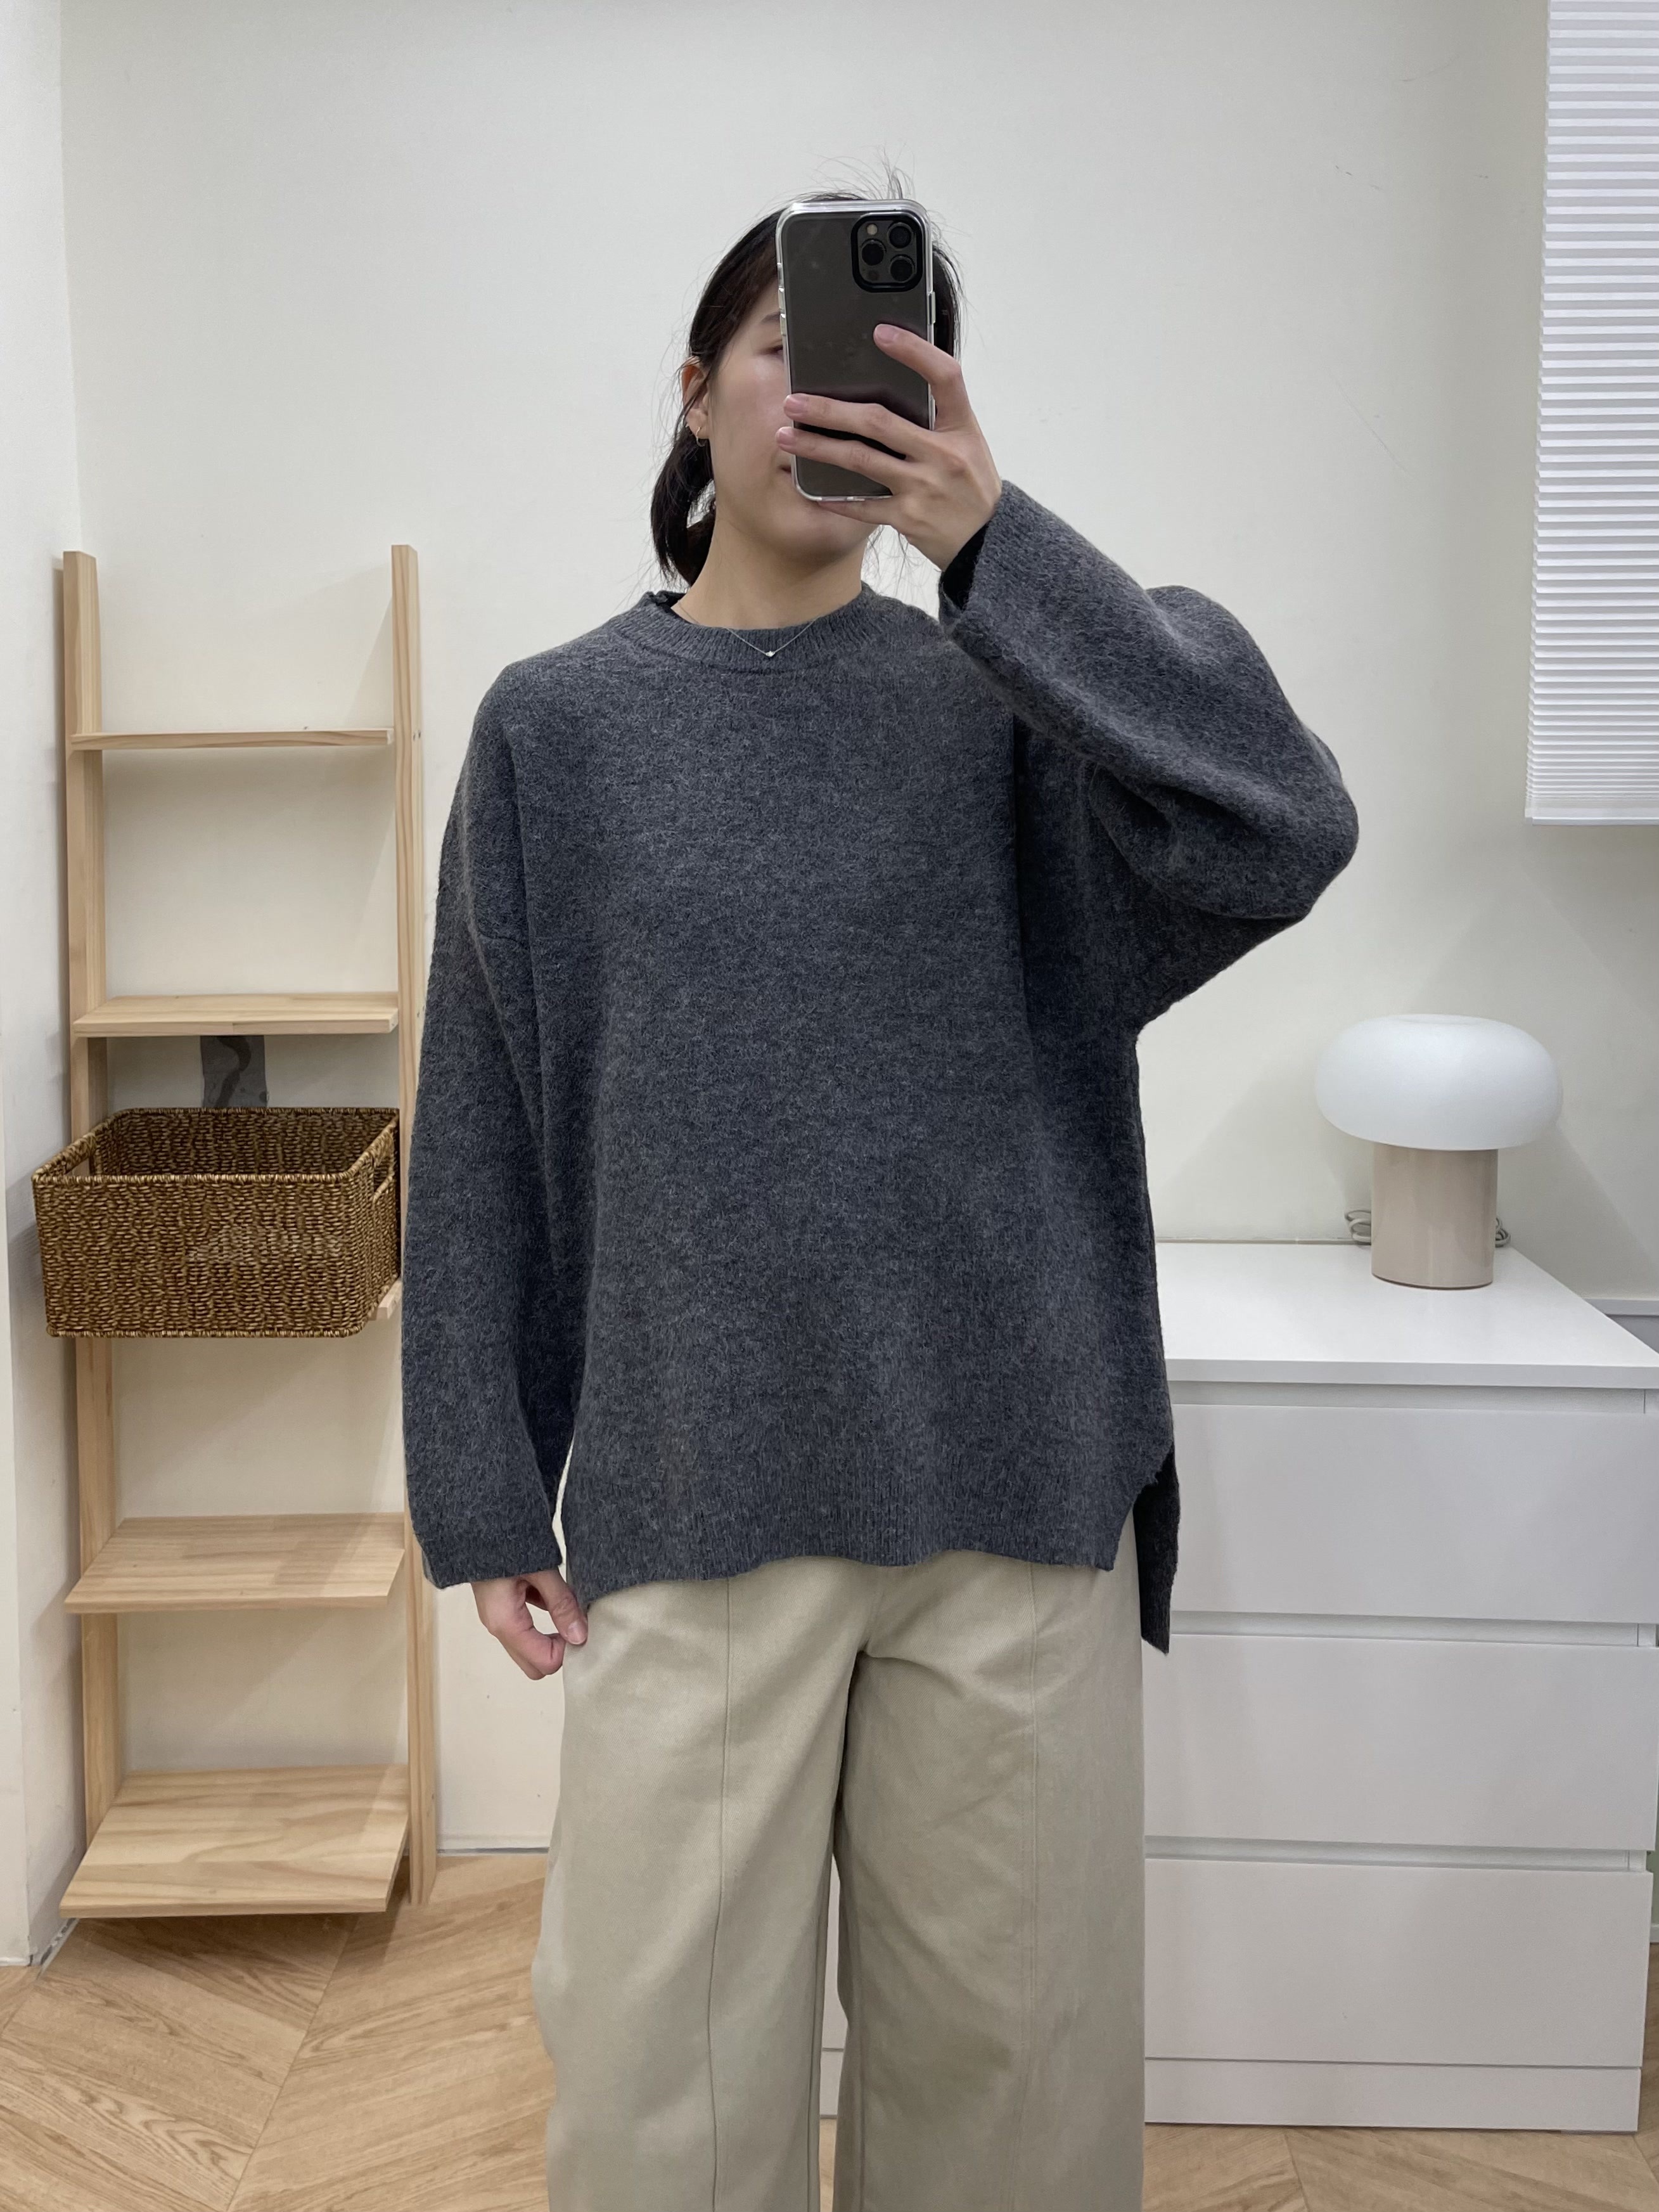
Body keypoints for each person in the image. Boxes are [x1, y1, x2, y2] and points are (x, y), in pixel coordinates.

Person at [399, 185, 1360, 2212]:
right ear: (693, 395)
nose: (833, 398)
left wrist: (997, 553)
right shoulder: (558, 729)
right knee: (664, 2110)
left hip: (1008, 1486)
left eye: (894, 365)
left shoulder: (1013, 709)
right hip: (696, 1487)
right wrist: (482, 1483)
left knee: (1008, 2103)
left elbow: (1280, 821)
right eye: (788, 349)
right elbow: (485, 1115)